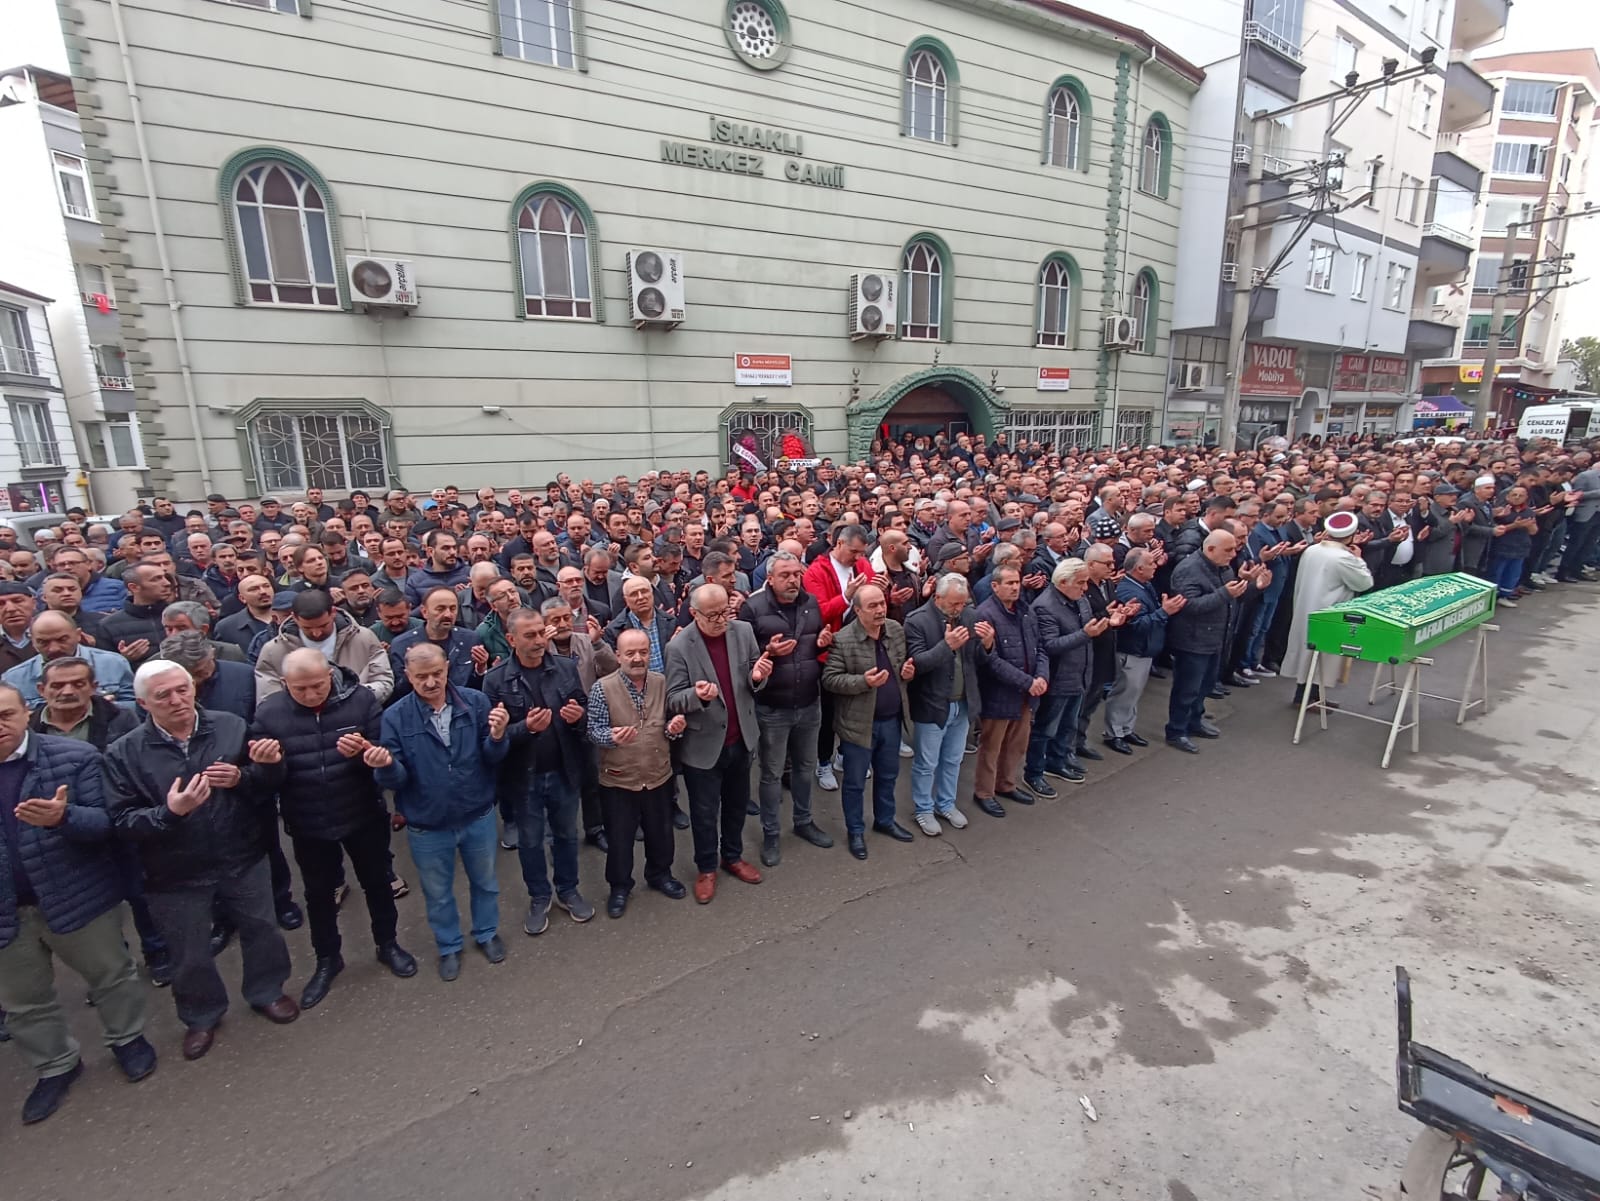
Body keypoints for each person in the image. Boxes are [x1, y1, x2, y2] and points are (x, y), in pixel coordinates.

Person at [105, 660, 299, 1062]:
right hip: (174, 870)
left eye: (183, 689)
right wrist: (169, 813)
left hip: (240, 852)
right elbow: (121, 821)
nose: (177, 700)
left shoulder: (230, 725)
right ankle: (201, 1015)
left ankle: (267, 991)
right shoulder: (124, 752)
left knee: (262, 928)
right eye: (164, 695)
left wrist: (252, 774)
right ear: (143, 702)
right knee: (189, 949)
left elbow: (267, 786)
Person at [0, 682, 157, 1123]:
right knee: (24, 1001)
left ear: (26, 713)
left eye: (5, 715)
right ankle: (56, 1066)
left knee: (110, 975)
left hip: (76, 894)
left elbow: (107, 824)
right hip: (7, 914)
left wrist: (63, 817)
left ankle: (128, 1039)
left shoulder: (74, 758)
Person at [247, 649, 416, 1010]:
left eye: (318, 685)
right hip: (308, 820)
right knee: (319, 895)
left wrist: (365, 754)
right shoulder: (269, 713)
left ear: (331, 675)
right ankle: (328, 958)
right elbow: (266, 783)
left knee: (378, 884)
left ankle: (387, 944)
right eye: (301, 689)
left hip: (362, 813)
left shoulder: (360, 701)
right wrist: (268, 766)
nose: (311, 695)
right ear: (284, 684)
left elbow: (383, 756)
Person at [374, 644, 510, 981]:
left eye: (437, 673)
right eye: (422, 677)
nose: (431, 682)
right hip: (427, 823)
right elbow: (398, 778)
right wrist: (387, 766)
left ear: (447, 668)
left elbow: (492, 757)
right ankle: (449, 946)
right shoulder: (395, 716)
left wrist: (497, 736)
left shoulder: (475, 702)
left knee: (486, 882)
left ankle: (486, 933)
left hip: (476, 813)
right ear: (408, 676)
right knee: (437, 893)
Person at [481, 608, 595, 936]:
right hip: (523, 778)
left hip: (563, 771)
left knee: (566, 836)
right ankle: (539, 896)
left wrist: (577, 718)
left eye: (539, 632)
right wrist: (525, 729)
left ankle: (568, 889)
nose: (537, 641)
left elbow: (582, 709)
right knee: (530, 842)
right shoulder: (496, 680)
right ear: (511, 639)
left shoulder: (564, 668)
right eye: (528, 635)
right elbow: (493, 736)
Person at [665, 583, 773, 904]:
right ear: (694, 613)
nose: (721, 620)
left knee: (738, 804)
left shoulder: (742, 632)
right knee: (704, 812)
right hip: (704, 744)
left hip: (741, 738)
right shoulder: (680, 647)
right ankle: (707, 867)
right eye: (712, 615)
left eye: (725, 611)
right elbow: (672, 699)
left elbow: (755, 679)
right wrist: (695, 696)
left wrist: (758, 676)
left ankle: (733, 855)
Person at [737, 549, 835, 866]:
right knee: (771, 774)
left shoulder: (810, 603)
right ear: (770, 578)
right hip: (773, 707)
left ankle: (804, 821)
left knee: (805, 769)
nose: (793, 580)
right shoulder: (753, 608)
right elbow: (743, 660)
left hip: (809, 701)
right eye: (785, 575)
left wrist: (821, 642)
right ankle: (771, 834)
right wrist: (768, 651)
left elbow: (812, 645)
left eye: (796, 574)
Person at [585, 627, 688, 918]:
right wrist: (611, 738)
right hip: (619, 778)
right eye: (630, 653)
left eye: (643, 652)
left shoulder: (661, 682)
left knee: (661, 833)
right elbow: (593, 731)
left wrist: (674, 729)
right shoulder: (601, 688)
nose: (638, 658)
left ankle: (660, 874)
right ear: (617, 656)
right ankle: (619, 887)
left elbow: (668, 727)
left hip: (658, 774)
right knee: (620, 839)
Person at [821, 584, 913, 860]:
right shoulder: (843, 639)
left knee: (888, 776)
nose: (880, 610)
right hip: (858, 724)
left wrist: (907, 672)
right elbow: (830, 679)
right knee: (855, 783)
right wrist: (863, 682)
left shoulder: (895, 630)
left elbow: (902, 666)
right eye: (872, 606)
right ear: (858, 610)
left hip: (891, 720)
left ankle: (884, 820)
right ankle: (855, 830)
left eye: (882, 604)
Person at [902, 573, 990, 834]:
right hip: (932, 703)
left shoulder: (970, 617)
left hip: (963, 702)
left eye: (962, 603)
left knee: (952, 759)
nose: (958, 609)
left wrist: (988, 644)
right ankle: (923, 809)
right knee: (927, 763)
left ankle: (946, 804)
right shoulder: (917, 621)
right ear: (938, 597)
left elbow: (978, 662)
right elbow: (917, 664)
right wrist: (947, 646)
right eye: (954, 604)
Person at [1165, 531, 1257, 754]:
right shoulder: (1188, 570)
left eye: (1234, 549)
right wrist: (1225, 593)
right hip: (1193, 640)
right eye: (1228, 550)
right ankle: (1176, 731)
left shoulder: (1223, 567)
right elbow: (1190, 606)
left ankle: (1195, 721)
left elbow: (1232, 596)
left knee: (1205, 685)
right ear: (1210, 549)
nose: (1233, 554)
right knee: (1187, 688)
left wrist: (1247, 583)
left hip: (1216, 637)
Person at [1280, 510, 1375, 708]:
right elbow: (1364, 583)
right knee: (1323, 655)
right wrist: (1359, 559)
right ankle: (1308, 698)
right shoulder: (1344, 557)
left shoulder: (1312, 550)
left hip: (1307, 606)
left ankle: (1308, 696)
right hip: (1329, 611)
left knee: (1309, 653)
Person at [803, 524, 873, 793]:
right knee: (829, 712)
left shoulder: (863, 565)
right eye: (853, 551)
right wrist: (846, 596)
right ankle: (823, 761)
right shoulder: (816, 572)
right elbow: (818, 613)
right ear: (838, 544)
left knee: (855, 708)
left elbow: (872, 601)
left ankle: (846, 754)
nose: (857, 558)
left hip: (860, 647)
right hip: (829, 652)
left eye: (861, 553)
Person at [973, 564, 1046, 818]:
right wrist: (1028, 682)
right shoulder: (985, 614)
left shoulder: (1025, 610)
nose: (1015, 587)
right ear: (995, 586)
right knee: (991, 746)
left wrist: (1041, 676)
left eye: (1017, 582)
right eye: (1009, 583)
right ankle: (984, 792)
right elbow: (992, 662)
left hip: (1026, 693)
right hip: (999, 694)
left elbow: (1039, 647)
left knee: (1017, 744)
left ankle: (1006, 784)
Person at [1023, 559, 1100, 795]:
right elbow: (1050, 645)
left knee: (1068, 724)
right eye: (1081, 582)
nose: (1085, 588)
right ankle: (1034, 772)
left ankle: (1057, 762)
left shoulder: (1079, 599)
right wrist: (1085, 634)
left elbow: (1087, 626)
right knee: (1045, 728)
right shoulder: (1045, 606)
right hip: (1057, 679)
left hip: (1078, 674)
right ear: (1063, 582)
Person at [1102, 547, 1184, 753]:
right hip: (1133, 650)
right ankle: (1114, 733)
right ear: (1139, 568)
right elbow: (1136, 625)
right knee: (1124, 692)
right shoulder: (1130, 591)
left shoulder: (1143, 585)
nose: (1155, 566)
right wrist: (1164, 612)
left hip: (1144, 650)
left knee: (1134, 693)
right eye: (1151, 563)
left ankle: (1126, 728)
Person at [257, 590, 394, 703]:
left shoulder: (363, 638)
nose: (316, 633)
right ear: (294, 618)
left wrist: (353, 700)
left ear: (333, 612)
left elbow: (383, 681)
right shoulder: (273, 650)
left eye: (323, 625)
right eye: (307, 628)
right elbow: (268, 697)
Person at [2, 611, 135, 707]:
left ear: (78, 635)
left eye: (62, 640)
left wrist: (106, 707)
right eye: (43, 642)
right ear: (32, 641)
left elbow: (136, 705)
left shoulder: (113, 663)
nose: (54, 648)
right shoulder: (14, 679)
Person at [214, 574, 276, 656]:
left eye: (266, 586)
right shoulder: (226, 628)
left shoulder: (292, 617)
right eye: (254, 589)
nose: (263, 591)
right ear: (242, 598)